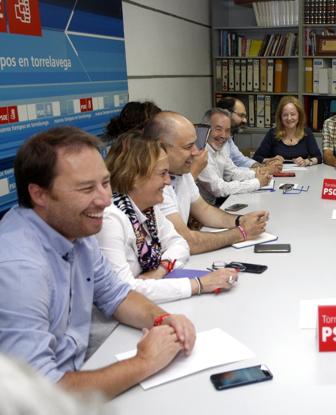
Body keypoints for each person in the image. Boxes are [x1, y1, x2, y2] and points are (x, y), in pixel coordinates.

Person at [0, 127, 196, 398]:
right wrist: (145, 362)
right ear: (39, 194)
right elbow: (37, 393)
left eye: (105, 183)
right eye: (86, 188)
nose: (105, 200)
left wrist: (162, 319)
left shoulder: (76, 228)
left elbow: (117, 296)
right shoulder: (19, 267)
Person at [96, 131, 239, 303]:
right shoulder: (110, 219)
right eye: (162, 174)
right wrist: (198, 285)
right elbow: (125, 290)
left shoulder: (149, 209)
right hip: (114, 327)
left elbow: (179, 243)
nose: (168, 182)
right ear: (134, 176)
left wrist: (160, 270)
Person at [143, 111, 269, 255]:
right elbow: (187, 241)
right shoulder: (154, 184)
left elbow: (204, 210)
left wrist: (241, 220)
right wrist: (241, 232)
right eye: (188, 147)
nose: (196, 152)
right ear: (160, 148)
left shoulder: (181, 172)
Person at [197, 108, 272, 205]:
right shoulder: (200, 152)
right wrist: (257, 183)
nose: (223, 135)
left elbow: (232, 173)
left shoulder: (221, 147)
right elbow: (219, 188)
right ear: (205, 129)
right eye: (218, 129)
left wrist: (257, 174)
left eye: (227, 130)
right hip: (202, 211)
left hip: (215, 203)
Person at [214, 97, 282, 174]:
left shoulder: (228, 139)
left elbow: (241, 160)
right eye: (241, 115)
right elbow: (229, 173)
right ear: (225, 114)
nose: (245, 120)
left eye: (245, 116)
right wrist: (265, 170)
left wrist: (263, 166)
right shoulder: (214, 139)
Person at [252, 96, 322, 167]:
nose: (289, 118)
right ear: (280, 117)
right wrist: (270, 160)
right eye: (285, 115)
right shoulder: (273, 133)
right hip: (277, 174)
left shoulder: (307, 133)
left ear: (299, 115)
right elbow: (256, 157)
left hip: (302, 175)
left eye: (293, 114)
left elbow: (319, 158)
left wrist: (306, 161)